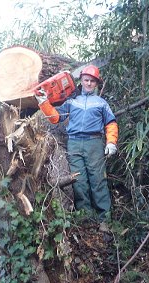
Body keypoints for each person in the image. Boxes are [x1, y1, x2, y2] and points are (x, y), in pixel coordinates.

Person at [35, 65, 118, 231]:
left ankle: (105, 219)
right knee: (79, 181)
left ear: (96, 84)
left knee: (98, 180)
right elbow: (55, 118)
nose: (88, 83)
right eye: (86, 80)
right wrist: (43, 102)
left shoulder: (101, 103)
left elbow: (111, 123)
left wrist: (111, 142)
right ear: (81, 81)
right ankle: (85, 218)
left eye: (92, 81)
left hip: (94, 142)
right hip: (74, 143)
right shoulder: (72, 101)